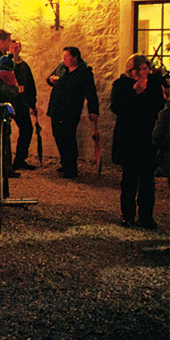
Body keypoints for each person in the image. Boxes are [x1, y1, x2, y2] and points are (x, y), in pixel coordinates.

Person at [110, 54, 166, 228]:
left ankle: (146, 217)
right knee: (130, 179)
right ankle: (127, 215)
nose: (142, 73)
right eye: (138, 69)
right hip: (129, 137)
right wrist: (135, 92)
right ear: (130, 71)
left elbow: (158, 106)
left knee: (147, 180)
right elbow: (117, 108)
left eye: (144, 69)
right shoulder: (121, 85)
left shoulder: (155, 84)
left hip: (148, 137)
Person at [46, 46, 100, 179]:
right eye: (63, 57)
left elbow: (91, 92)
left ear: (75, 57)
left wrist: (93, 110)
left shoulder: (84, 72)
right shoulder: (62, 68)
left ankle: (71, 167)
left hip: (70, 109)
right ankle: (65, 162)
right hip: (57, 108)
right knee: (58, 135)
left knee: (68, 137)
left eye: (67, 56)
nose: (64, 59)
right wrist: (51, 80)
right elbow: (50, 79)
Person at [10, 40, 38, 170]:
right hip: (9, 101)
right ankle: (4, 161)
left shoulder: (24, 66)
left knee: (27, 129)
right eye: (13, 47)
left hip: (21, 103)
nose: (15, 50)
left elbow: (30, 85)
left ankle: (20, 159)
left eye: (17, 47)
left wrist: (32, 104)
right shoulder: (5, 64)